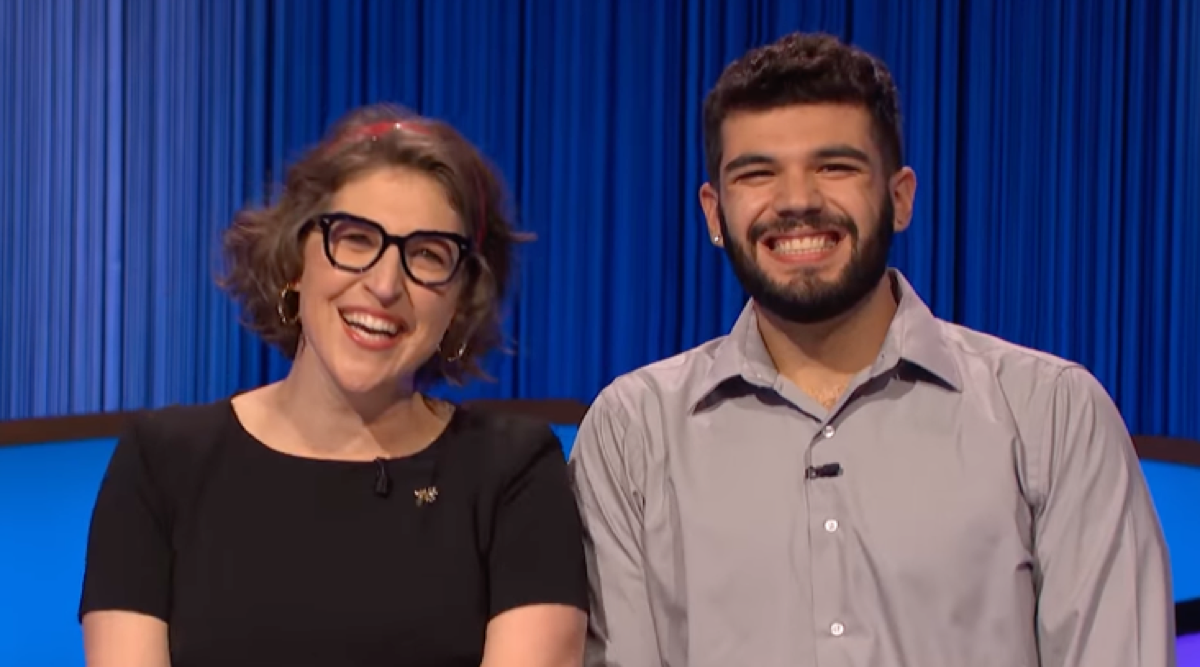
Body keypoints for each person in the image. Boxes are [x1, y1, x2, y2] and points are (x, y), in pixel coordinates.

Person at [569, 32, 1175, 667]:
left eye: (835, 167)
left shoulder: (1051, 415)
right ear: (714, 212)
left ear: (901, 196)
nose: (798, 201)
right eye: (757, 173)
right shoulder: (632, 434)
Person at [79, 104, 588, 667]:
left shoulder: (513, 474)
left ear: (461, 300)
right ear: (297, 257)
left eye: (427, 255)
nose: (385, 284)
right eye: (356, 239)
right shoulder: (161, 465)